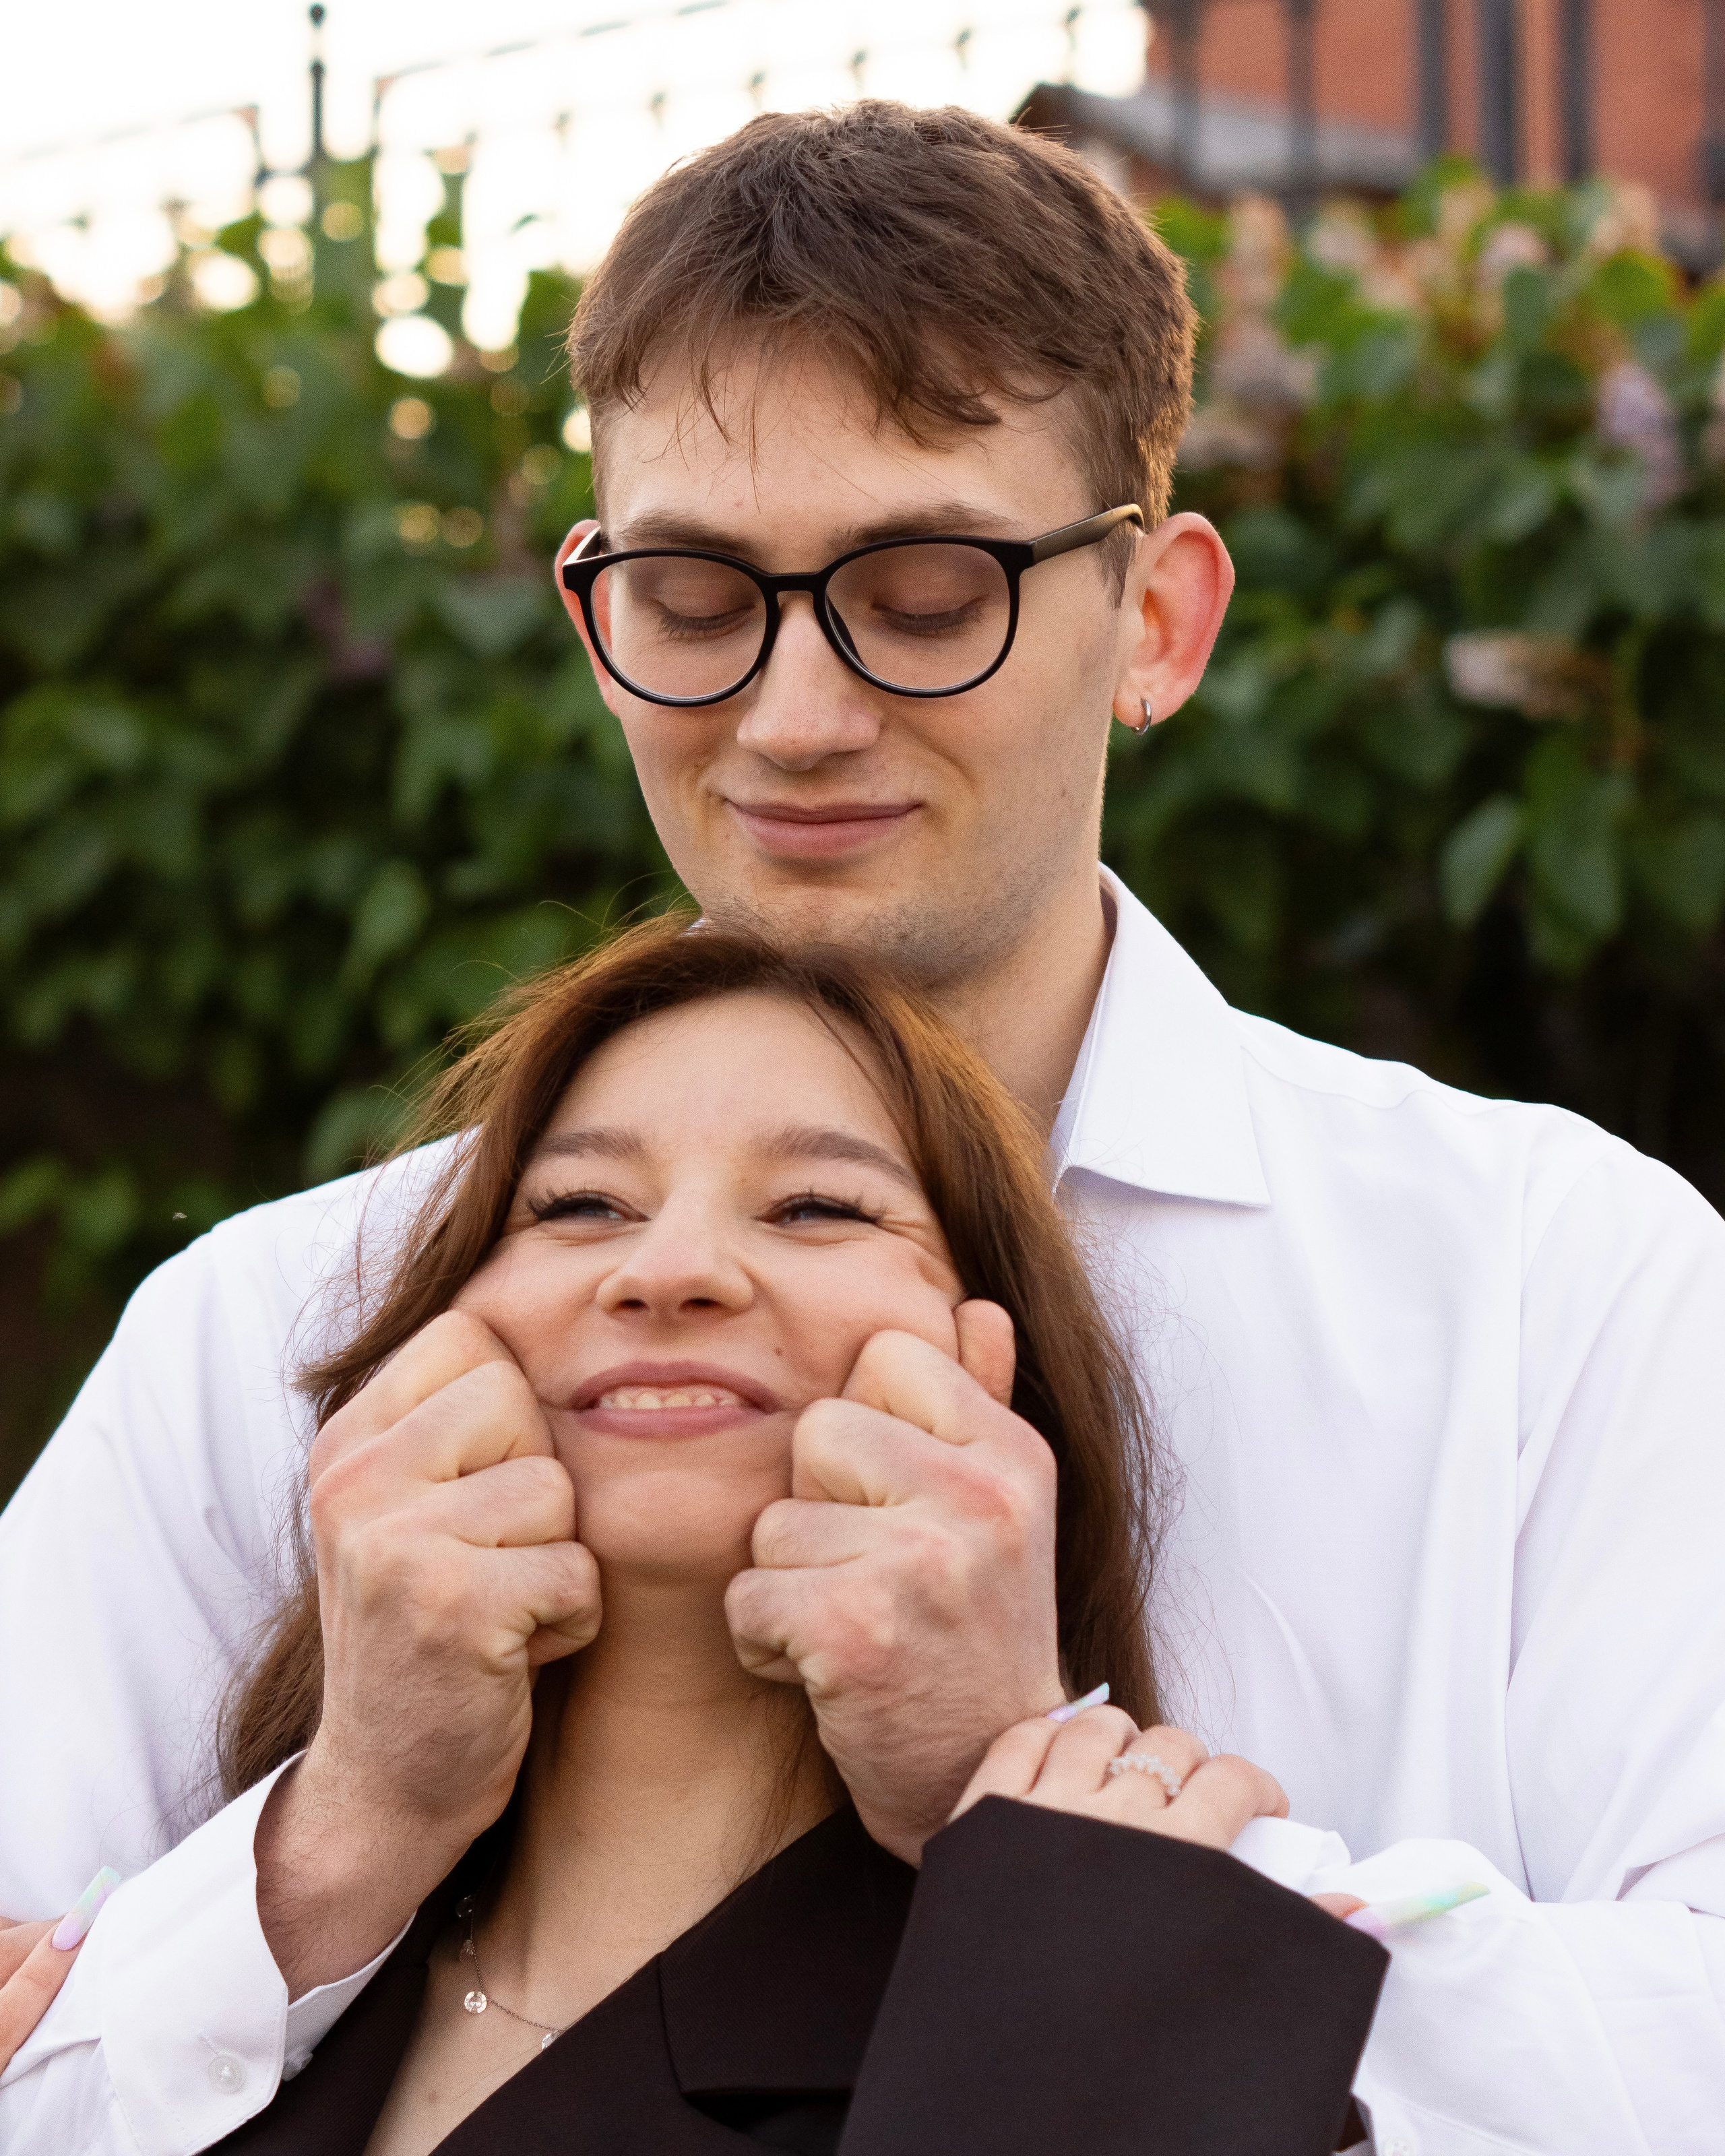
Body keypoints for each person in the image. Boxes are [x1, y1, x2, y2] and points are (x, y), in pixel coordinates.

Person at [1, 100, 1722, 2153]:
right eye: (698, 595)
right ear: (593, 613)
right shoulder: (274, 1327)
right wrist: (330, 1852)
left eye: (923, 590)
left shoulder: (1553, 1284)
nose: (795, 718)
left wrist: (1047, 1831)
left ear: (1158, 622)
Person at [0, 922, 1387, 2155]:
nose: (666, 1268)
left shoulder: (1128, 1985)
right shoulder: (181, 2001)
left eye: (818, 1207)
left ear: (990, 1372)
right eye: (577, 1204)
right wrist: (365, 1798)